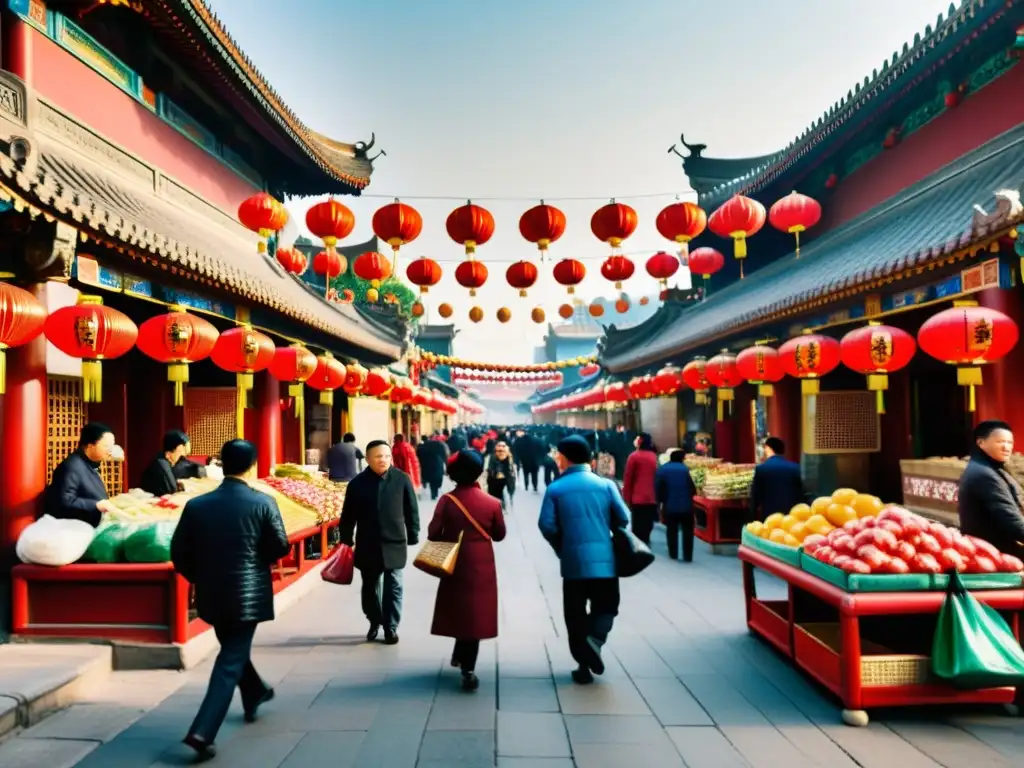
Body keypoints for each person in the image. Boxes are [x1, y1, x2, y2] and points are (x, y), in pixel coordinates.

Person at [170, 439, 289, 761]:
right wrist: (254, 557)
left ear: (222, 464)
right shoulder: (263, 501)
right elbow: (280, 546)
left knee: (233, 649)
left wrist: (200, 573)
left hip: (212, 591)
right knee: (230, 658)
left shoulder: (198, 505)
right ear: (253, 466)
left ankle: (255, 692)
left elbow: (179, 553)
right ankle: (202, 731)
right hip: (248, 593)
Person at [538, 435, 630, 685]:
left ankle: (583, 664)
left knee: (575, 613)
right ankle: (596, 639)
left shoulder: (556, 488)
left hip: (573, 564)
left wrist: (562, 547)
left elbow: (546, 525)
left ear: (565, 458)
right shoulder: (606, 486)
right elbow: (623, 518)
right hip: (606, 561)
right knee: (607, 606)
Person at [427, 450, 506, 691]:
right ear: (479, 472)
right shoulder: (492, 503)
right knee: (476, 612)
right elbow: (499, 535)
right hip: (482, 564)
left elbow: (433, 533)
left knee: (459, 609)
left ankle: (460, 655)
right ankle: (468, 667)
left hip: (454, 562)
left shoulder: (446, 501)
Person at [339, 440, 420, 644]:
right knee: (370, 587)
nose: (383, 460)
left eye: (386, 456)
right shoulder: (357, 484)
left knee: (394, 585)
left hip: (395, 541)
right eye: (378, 456)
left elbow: (412, 510)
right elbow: (348, 515)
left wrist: (413, 533)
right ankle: (374, 621)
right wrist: (346, 539)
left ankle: (391, 626)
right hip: (368, 542)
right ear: (367, 459)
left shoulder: (402, 479)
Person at [959, 420, 1024, 559]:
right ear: (980, 443)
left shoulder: (987, 468)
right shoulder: (985, 475)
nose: (1007, 447)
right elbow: (1013, 522)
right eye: (1000, 442)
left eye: (1010, 442)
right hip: (995, 553)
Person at [43, 422, 117, 527]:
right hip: (74, 530)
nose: (110, 450)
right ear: (90, 445)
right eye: (106, 446)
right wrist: (96, 505)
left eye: (112, 446)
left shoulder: (89, 463)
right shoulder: (72, 466)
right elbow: (63, 501)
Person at [749, 437, 806, 522]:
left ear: (768, 448)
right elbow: (801, 493)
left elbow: (756, 496)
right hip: (791, 516)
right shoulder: (795, 468)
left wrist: (752, 516)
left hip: (769, 516)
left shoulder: (761, 469)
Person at [656, 450, 698, 561]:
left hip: (670, 506)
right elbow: (693, 489)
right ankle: (688, 556)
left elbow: (659, 489)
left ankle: (673, 553)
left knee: (671, 531)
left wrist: (660, 503)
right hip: (686, 507)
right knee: (688, 532)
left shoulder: (663, 470)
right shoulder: (685, 470)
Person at [622, 433, 659, 545]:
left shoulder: (634, 456)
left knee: (637, 524)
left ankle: (638, 545)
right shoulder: (653, 456)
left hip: (637, 497)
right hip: (651, 497)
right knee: (648, 522)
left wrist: (626, 497)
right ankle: (646, 540)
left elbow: (628, 478)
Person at [139, 430, 191, 497]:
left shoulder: (173, 461)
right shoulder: (161, 463)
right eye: (182, 450)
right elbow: (172, 489)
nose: (184, 455)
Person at [417, 432, 450, 501]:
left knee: (432, 480)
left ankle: (433, 493)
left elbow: (419, 455)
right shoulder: (440, 445)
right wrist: (447, 467)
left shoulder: (423, 445)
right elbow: (445, 456)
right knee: (436, 481)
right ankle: (434, 494)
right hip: (438, 466)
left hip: (428, 467)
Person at [485, 440, 516, 510]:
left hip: (496, 477)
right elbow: (511, 467)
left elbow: (490, 467)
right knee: (501, 492)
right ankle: (503, 505)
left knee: (497, 492)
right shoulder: (509, 454)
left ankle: (499, 505)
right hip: (506, 476)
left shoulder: (493, 455)